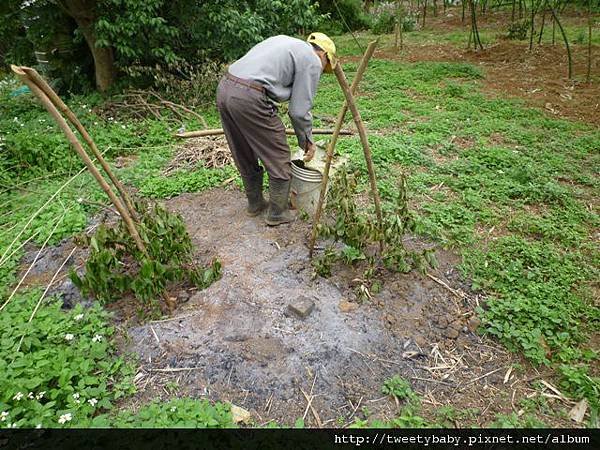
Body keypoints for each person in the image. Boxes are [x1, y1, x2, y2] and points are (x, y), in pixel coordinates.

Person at [216, 33, 337, 226]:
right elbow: (298, 111)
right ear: (323, 55)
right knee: (278, 152)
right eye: (325, 68)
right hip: (249, 96)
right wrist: (307, 141)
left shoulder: (285, 42)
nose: (322, 72)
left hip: (225, 88)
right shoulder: (312, 61)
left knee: (243, 149)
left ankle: (255, 204)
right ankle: (277, 212)